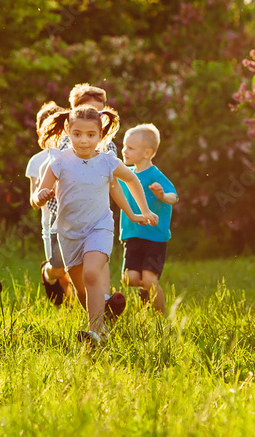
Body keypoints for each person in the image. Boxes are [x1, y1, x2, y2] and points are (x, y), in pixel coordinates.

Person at [32, 105, 158, 345]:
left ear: (100, 136)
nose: (84, 141)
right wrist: (39, 198)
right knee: (81, 290)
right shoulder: (58, 161)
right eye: (77, 134)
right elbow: (37, 197)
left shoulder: (107, 161)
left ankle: (95, 332)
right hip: (69, 234)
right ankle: (101, 328)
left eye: (91, 135)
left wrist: (140, 212)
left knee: (92, 274)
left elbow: (130, 179)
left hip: (98, 228)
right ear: (68, 131)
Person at [117, 124, 178, 315]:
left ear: (147, 153)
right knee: (129, 278)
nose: (124, 151)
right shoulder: (126, 174)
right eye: (124, 146)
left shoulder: (155, 175)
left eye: (130, 148)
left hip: (155, 237)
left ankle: (161, 318)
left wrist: (162, 195)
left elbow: (173, 197)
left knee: (150, 280)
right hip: (133, 234)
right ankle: (146, 295)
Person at [26, 101, 68, 304]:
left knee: (75, 271)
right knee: (60, 271)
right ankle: (48, 273)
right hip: (50, 225)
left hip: (73, 220)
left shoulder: (71, 156)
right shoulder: (37, 161)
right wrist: (41, 195)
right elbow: (33, 201)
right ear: (40, 131)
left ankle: (72, 310)